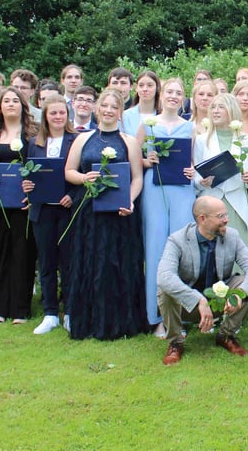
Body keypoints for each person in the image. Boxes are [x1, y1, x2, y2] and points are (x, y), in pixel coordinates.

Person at [64, 89, 147, 340]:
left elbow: (137, 178)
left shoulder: (129, 142)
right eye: (105, 106)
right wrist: (83, 177)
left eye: (114, 107)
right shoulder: (82, 139)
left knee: (117, 264)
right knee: (91, 263)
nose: (109, 111)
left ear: (121, 113)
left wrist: (129, 200)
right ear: (97, 109)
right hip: (90, 213)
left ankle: (121, 322)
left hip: (121, 213)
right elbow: (68, 171)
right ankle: (89, 321)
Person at [157, 196, 248, 365]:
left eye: (226, 215)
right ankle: (175, 342)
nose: (227, 220)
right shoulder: (177, 240)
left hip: (221, 301)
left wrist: (239, 295)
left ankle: (226, 335)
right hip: (189, 305)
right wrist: (198, 300)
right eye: (221, 216)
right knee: (165, 290)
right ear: (202, 219)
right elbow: (164, 277)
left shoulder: (232, 236)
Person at [137, 78, 196, 338]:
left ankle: (183, 315)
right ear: (162, 96)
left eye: (178, 92)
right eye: (169, 91)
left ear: (184, 98)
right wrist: (146, 160)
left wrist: (193, 171)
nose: (173, 96)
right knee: (156, 251)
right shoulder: (147, 125)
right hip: (154, 191)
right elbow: (133, 159)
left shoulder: (190, 127)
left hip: (182, 191)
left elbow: (195, 163)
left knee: (183, 250)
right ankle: (157, 316)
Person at [0, 87, 39, 325]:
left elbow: (39, 167)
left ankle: (21, 309)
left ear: (23, 106)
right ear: (0, 106)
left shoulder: (33, 134)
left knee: (23, 254)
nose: (10, 104)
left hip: (24, 205)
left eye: (15, 100)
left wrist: (32, 191)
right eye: (6, 101)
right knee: (1, 253)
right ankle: (0, 308)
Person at [24, 97, 78, 334]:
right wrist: (26, 186)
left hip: (66, 209)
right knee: (46, 262)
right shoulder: (34, 142)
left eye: (62, 113)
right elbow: (28, 173)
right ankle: (49, 313)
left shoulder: (76, 141)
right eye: (53, 113)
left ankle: (69, 312)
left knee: (68, 262)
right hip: (42, 210)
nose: (58, 117)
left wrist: (73, 196)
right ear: (45, 116)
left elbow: (83, 173)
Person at [192, 93, 248, 246]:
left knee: (236, 250)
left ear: (232, 110)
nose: (215, 111)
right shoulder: (202, 140)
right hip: (211, 203)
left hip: (236, 204)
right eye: (213, 107)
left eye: (221, 107)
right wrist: (202, 182)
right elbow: (195, 176)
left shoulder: (247, 141)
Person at [121, 70, 160, 136]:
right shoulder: (124, 116)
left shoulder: (162, 116)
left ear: (157, 88)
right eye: (141, 85)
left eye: (150, 85)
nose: (145, 89)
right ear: (136, 88)